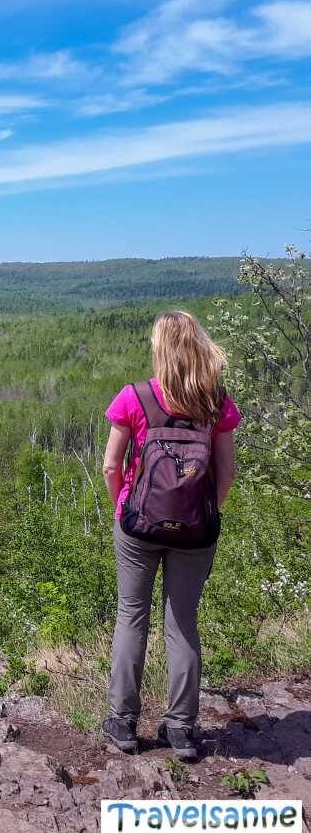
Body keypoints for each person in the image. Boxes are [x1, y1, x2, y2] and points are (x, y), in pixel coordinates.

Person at [100, 310, 240, 760]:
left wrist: (124, 507)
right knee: (182, 623)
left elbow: (110, 466)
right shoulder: (216, 402)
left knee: (131, 616)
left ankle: (123, 723)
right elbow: (227, 472)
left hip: (138, 527)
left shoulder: (135, 396)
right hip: (196, 532)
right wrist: (205, 512)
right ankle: (180, 729)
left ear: (160, 349)